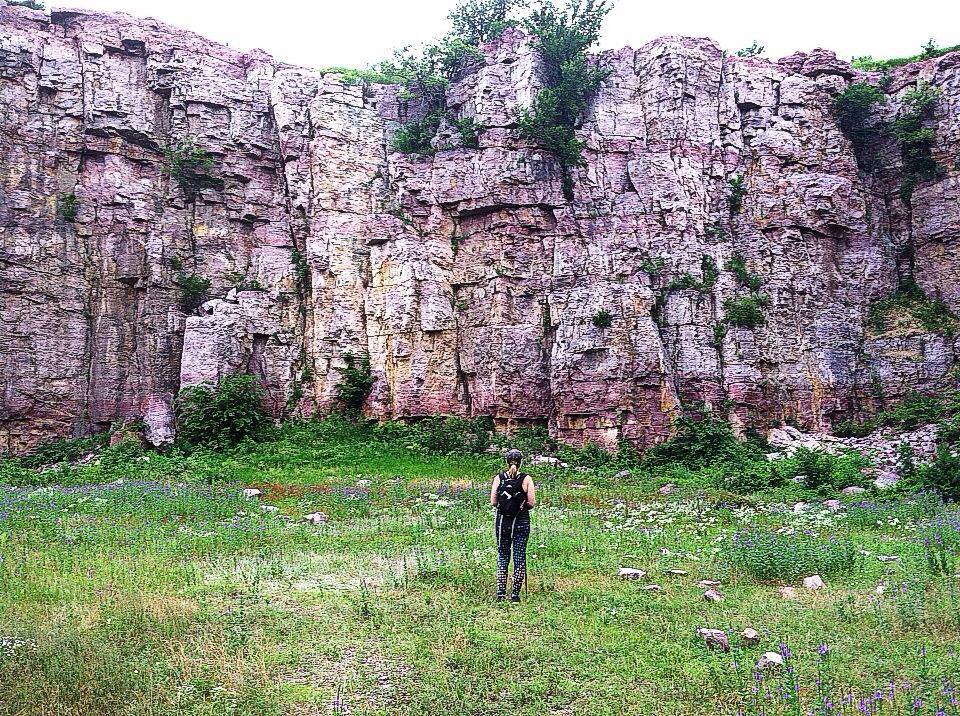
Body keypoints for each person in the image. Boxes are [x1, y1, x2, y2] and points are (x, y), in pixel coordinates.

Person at [490, 448, 536, 603]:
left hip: (502, 522)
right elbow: (531, 503)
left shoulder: (499, 478)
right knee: (519, 555)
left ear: (506, 461)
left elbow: (494, 502)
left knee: (503, 555)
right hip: (521, 521)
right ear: (521, 462)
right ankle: (515, 595)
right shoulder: (526, 479)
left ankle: (501, 593)